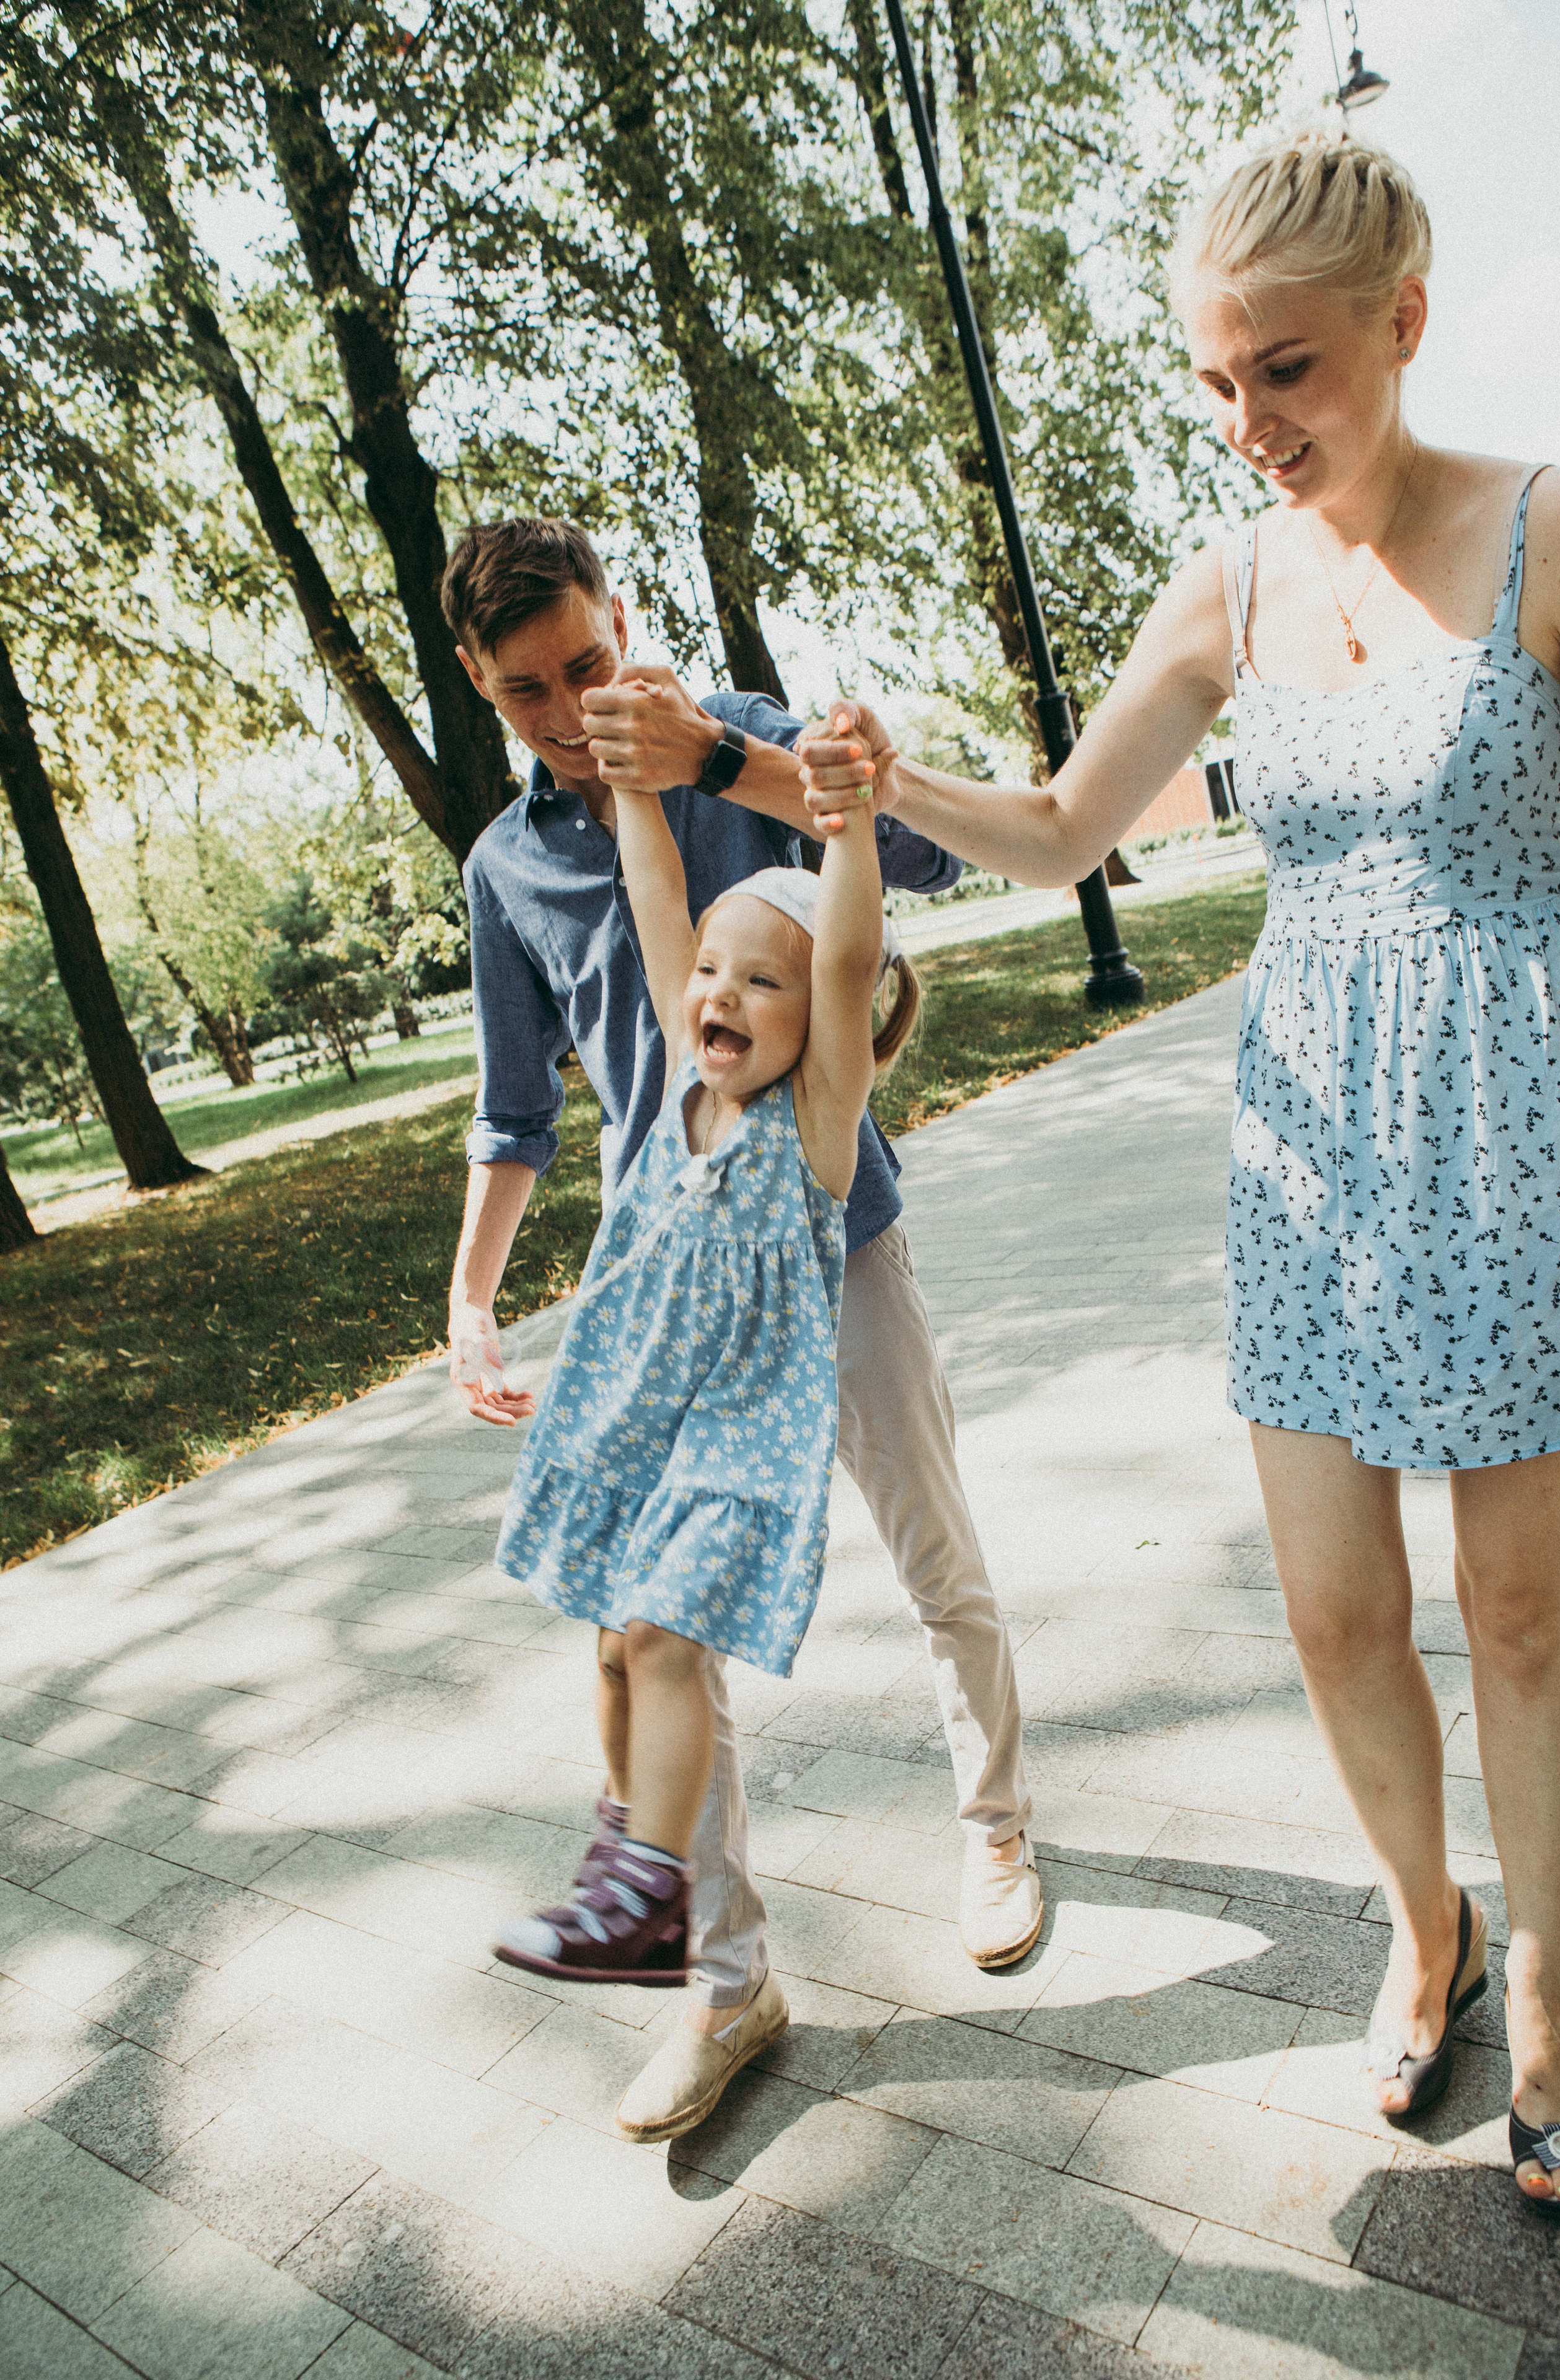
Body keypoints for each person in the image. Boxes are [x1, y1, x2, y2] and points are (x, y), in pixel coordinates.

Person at [800, 128, 1560, 2215]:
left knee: (1519, 1615)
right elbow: (1066, 830)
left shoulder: (1553, 529)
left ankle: (1558, 2001)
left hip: (1524, 1138)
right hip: (1310, 1161)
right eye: (1218, 388)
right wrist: (890, 786)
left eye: (1291, 376)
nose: (1248, 427)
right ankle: (1431, 1929)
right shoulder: (1228, 589)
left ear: (1403, 329)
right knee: (1340, 1621)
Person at [441, 519, 1039, 2143]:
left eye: (585, 666)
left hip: (834, 1255)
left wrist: (712, 757)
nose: (568, 709)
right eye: (529, 692)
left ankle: (995, 1822)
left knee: (931, 1548)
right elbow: (521, 1106)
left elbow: (904, 865)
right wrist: (477, 1295)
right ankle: (724, 1980)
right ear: (485, 693)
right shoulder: (514, 869)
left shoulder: (734, 740)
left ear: (617, 626)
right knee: (644, 1639)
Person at [490, 728, 907, 1990]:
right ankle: (627, 1874)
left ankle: (645, 1895)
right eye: (708, 974)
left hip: (743, 1434)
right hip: (639, 1419)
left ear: (822, 1019)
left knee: (664, 1637)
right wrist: (627, 774)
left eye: (756, 984)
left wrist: (841, 823)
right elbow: (654, 890)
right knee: (617, 1643)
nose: (718, 992)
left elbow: (843, 951)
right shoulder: (683, 1080)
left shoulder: (816, 1125)